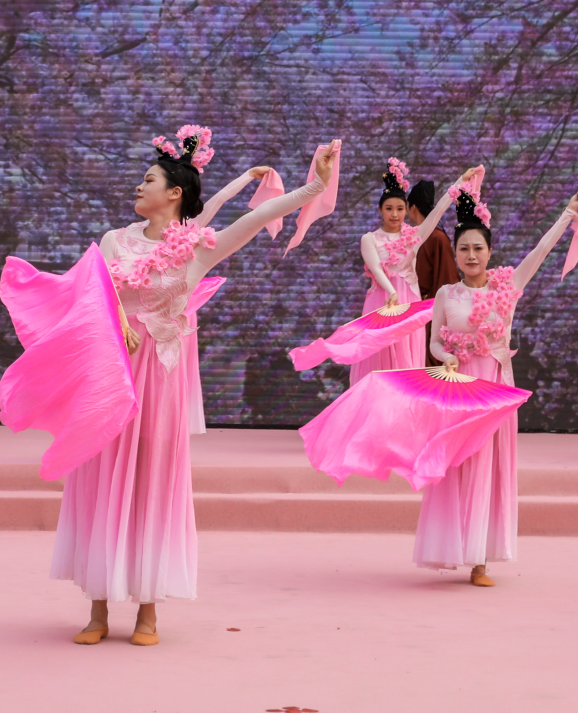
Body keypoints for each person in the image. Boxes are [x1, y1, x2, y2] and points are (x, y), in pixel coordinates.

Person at [57, 126, 337, 648]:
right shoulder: (113, 241)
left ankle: (147, 611)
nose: (138, 188)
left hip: (160, 378)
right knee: (101, 479)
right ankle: (96, 608)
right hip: (110, 372)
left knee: (151, 482)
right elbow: (87, 292)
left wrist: (312, 187)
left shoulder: (197, 249)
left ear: (174, 194)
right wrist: (116, 317)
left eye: (148, 180)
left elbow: (255, 219)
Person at [419, 175, 578, 586]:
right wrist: (448, 356)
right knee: (458, 467)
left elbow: (542, 250)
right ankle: (455, 546)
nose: (471, 255)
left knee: (488, 469)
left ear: (490, 252)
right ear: (455, 254)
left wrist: (570, 212)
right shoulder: (445, 295)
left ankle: (481, 561)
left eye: (478, 248)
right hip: (458, 392)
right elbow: (435, 343)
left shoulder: (508, 286)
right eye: (464, 249)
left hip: (494, 389)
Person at [349, 160, 464, 381]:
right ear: (380, 210)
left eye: (400, 208)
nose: (395, 214)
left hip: (409, 303)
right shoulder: (369, 239)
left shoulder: (413, 237)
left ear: (407, 209)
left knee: (407, 360)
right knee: (379, 359)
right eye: (389, 208)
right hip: (382, 302)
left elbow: (438, 212)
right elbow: (376, 268)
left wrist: (461, 181)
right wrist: (392, 291)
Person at [407, 179, 459, 364]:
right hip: (424, 308)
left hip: (426, 309)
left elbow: (445, 278)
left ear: (412, 208)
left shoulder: (432, 238)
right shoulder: (434, 236)